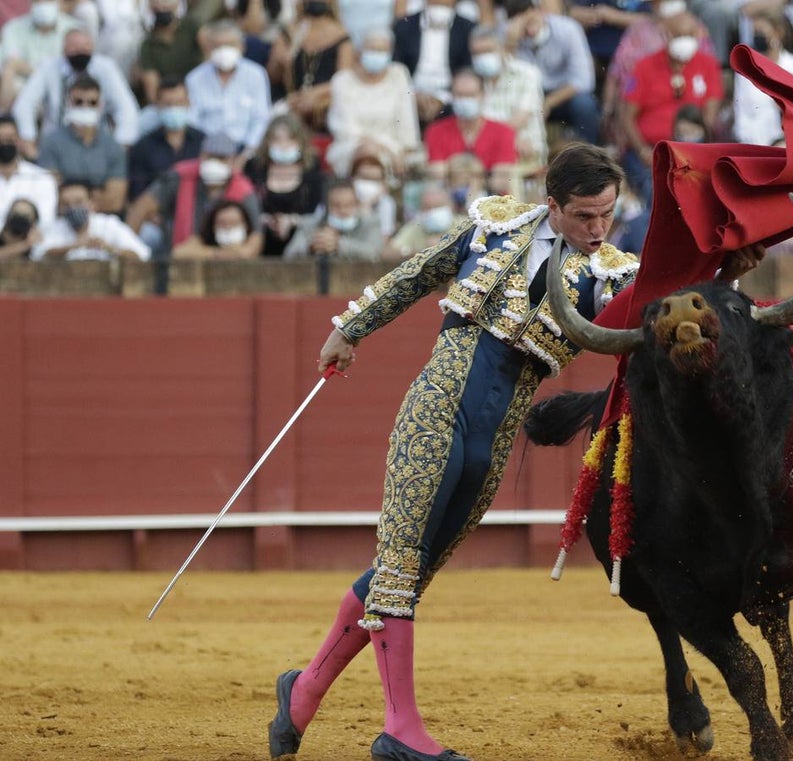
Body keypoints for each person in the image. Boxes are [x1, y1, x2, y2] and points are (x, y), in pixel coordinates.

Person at [268, 145, 647, 761]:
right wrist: (349, 328)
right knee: (397, 564)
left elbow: (660, 303)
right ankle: (400, 730)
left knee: (411, 574)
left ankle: (304, 691)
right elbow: (417, 273)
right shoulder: (494, 228)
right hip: (436, 410)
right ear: (552, 205)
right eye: (584, 216)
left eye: (607, 215)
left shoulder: (609, 273)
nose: (598, 229)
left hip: (493, 439)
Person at [620, 7, 722, 201]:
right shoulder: (645, 66)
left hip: (692, 150)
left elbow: (709, 116)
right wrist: (643, 151)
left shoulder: (708, 64)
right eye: (679, 35)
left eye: (690, 35)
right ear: (666, 35)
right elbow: (627, 117)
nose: (686, 40)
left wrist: (694, 153)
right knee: (656, 192)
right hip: (650, 153)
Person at [127, 132, 263, 258]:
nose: (214, 163)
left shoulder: (244, 191)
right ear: (201, 156)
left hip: (229, 250)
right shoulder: (179, 177)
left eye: (221, 158)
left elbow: (256, 239)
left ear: (232, 161)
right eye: (210, 157)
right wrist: (129, 251)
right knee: (149, 234)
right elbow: (141, 209)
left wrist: (224, 254)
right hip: (182, 246)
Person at [11, 28, 139, 153]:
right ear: (64, 49)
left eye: (85, 47)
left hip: (98, 144)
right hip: (55, 143)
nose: (80, 51)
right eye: (74, 47)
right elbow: (24, 105)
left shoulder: (106, 68)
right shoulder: (48, 67)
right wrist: (28, 138)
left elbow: (126, 107)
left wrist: (120, 145)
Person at [324, 25, 421, 178]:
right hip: (351, 147)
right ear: (359, 51)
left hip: (394, 148)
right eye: (372, 49)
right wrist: (377, 148)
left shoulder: (399, 74)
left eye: (382, 50)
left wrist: (401, 151)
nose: (377, 54)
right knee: (367, 156)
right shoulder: (342, 80)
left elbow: (406, 122)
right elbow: (345, 128)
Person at [505, 0, 601, 143]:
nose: (530, 30)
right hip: (528, 97)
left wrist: (548, 102)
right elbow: (505, 81)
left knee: (584, 104)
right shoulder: (508, 33)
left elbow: (583, 80)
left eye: (531, 21)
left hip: (562, 96)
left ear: (539, 11)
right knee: (508, 105)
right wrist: (511, 44)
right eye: (523, 25)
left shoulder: (568, 29)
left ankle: (589, 155)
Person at [37, 75, 127, 214]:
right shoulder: (51, 142)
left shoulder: (113, 146)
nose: (85, 106)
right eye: (78, 102)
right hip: (61, 220)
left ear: (100, 105)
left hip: (103, 220)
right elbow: (49, 194)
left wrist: (73, 196)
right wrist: (95, 193)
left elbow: (115, 202)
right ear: (68, 103)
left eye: (92, 102)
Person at [244, 113, 326, 256]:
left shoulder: (312, 169)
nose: (283, 145)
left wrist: (292, 221)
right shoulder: (254, 168)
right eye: (277, 140)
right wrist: (265, 220)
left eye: (290, 139)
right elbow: (244, 206)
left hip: (302, 242)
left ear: (301, 142)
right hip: (260, 240)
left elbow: (318, 212)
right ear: (267, 142)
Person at [423, 70, 518, 195]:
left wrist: (462, 171)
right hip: (448, 199)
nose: (465, 101)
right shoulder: (436, 131)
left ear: (483, 96)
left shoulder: (503, 132)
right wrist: (478, 173)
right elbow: (437, 174)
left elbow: (501, 180)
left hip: (492, 202)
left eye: (471, 95)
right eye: (460, 95)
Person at [185, 20, 273, 154]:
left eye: (230, 45)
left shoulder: (256, 74)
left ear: (241, 47)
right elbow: (192, 121)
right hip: (206, 150)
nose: (224, 50)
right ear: (208, 48)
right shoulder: (194, 78)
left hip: (245, 149)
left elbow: (261, 118)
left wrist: (246, 154)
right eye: (218, 46)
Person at [733, 8, 793, 147]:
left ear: (778, 33)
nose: (757, 37)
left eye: (761, 32)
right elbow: (741, 118)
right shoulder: (745, 71)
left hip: (790, 145)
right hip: (755, 147)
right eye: (755, 33)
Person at [267, 0, 353, 130]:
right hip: (291, 101)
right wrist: (280, 61)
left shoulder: (342, 37)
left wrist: (312, 94)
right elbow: (273, 76)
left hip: (324, 103)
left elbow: (344, 79)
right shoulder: (289, 33)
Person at [468, 24, 547, 166]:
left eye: (487, 51)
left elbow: (521, 118)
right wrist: (506, 138)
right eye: (476, 53)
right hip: (483, 155)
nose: (481, 57)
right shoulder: (471, 81)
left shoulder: (527, 74)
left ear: (502, 48)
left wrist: (505, 138)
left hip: (525, 153)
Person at [392, 0, 476, 126]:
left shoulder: (467, 28)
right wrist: (412, 95)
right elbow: (396, 69)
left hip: (450, 98)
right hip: (410, 95)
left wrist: (442, 99)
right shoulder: (404, 25)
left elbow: (467, 71)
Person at [31, 179, 150, 260]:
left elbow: (141, 255)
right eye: (66, 204)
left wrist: (110, 249)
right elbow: (38, 255)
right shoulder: (54, 227)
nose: (73, 208)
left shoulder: (109, 224)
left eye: (78, 202)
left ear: (91, 203)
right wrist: (75, 246)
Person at [128, 77, 206, 201]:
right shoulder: (143, 147)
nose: (174, 108)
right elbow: (137, 191)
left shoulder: (204, 143)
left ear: (188, 102)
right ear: (158, 105)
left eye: (179, 103)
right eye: (168, 104)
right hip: (153, 215)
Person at [0, 0, 81, 110]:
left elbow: (71, 67)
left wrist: (25, 68)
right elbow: (9, 64)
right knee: (9, 77)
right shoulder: (13, 28)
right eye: (39, 1)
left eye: (48, 1)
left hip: (60, 85)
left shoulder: (74, 27)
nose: (44, 4)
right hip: (24, 88)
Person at [284, 178, 383, 259]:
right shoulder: (310, 224)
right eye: (336, 205)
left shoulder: (371, 223)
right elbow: (288, 255)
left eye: (349, 205)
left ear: (357, 205)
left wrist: (339, 245)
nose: (343, 210)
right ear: (326, 207)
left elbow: (375, 253)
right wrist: (310, 248)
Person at [136, 0, 209, 106]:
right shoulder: (148, 45)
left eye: (166, 1)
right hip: (169, 101)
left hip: (200, 93)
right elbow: (152, 91)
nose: (161, 6)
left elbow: (210, 54)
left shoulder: (192, 25)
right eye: (156, 2)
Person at [381, 181, 461, 264]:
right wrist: (419, 252)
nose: (433, 212)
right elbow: (387, 253)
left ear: (451, 206)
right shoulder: (415, 226)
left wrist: (446, 246)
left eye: (438, 206)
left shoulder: (463, 224)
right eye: (427, 207)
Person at [0, 113, 59, 224]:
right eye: (0, 139)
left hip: (33, 240)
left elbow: (45, 221)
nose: (4, 144)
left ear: (19, 140)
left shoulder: (41, 178)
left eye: (9, 139)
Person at [172, 199, 261, 259]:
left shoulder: (254, 236)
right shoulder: (203, 239)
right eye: (222, 224)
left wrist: (232, 250)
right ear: (213, 226)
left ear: (245, 225)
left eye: (234, 223)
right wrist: (217, 253)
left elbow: (247, 253)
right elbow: (178, 252)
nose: (228, 228)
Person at [349, 153, 397, 240]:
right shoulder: (338, 198)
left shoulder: (386, 203)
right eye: (364, 179)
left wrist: (368, 205)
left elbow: (384, 237)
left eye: (374, 181)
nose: (368, 186)